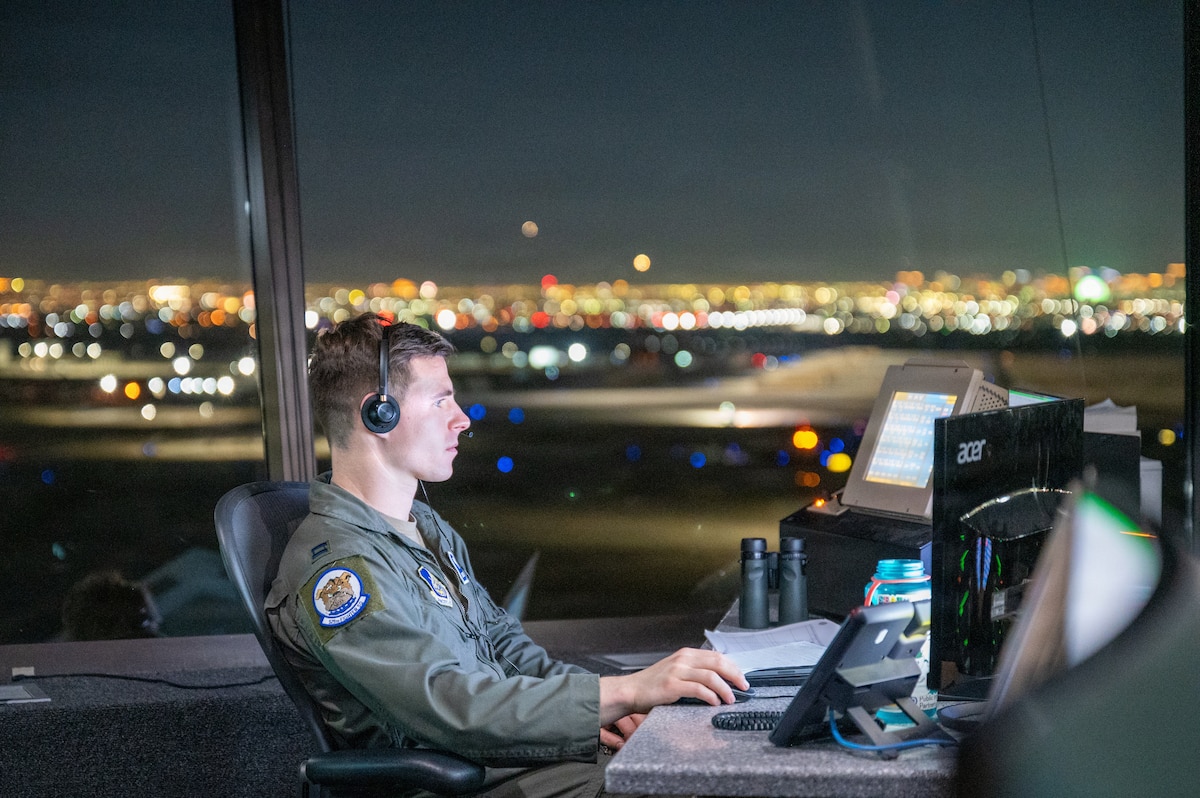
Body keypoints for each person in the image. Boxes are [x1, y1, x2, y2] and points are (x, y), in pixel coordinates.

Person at [266, 312, 747, 797]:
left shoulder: (426, 530)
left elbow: (504, 647)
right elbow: (452, 708)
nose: (462, 418)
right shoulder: (339, 574)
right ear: (379, 414)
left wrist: (617, 709)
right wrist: (627, 690)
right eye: (440, 401)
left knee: (713, 761)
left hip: (513, 761)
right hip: (466, 780)